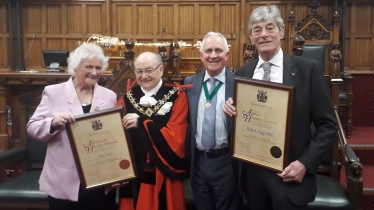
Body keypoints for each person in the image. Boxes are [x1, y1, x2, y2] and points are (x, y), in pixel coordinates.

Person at [223, 5, 338, 210]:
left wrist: (304, 164)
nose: (264, 34)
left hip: (290, 175)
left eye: (270, 28)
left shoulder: (307, 70)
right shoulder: (242, 74)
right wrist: (230, 110)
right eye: (257, 30)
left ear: (282, 32)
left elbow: (328, 125)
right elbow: (241, 121)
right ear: (251, 37)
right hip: (252, 175)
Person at [26, 43, 117, 210]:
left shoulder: (109, 96)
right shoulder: (53, 92)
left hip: (100, 178)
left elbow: (114, 135)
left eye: (98, 67)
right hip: (64, 179)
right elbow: (32, 127)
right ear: (75, 67)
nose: (94, 72)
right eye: (88, 66)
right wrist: (52, 123)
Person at [116, 52, 189, 210]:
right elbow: (116, 139)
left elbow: (176, 136)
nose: (144, 76)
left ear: (161, 70)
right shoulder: (126, 99)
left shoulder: (177, 96)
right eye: (139, 71)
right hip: (134, 172)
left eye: (149, 70)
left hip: (163, 173)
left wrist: (142, 123)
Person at [184, 31, 239, 210]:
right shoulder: (189, 83)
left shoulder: (239, 83)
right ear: (201, 56)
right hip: (198, 162)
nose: (213, 55)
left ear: (227, 55)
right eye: (208, 51)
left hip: (226, 161)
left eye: (218, 50)